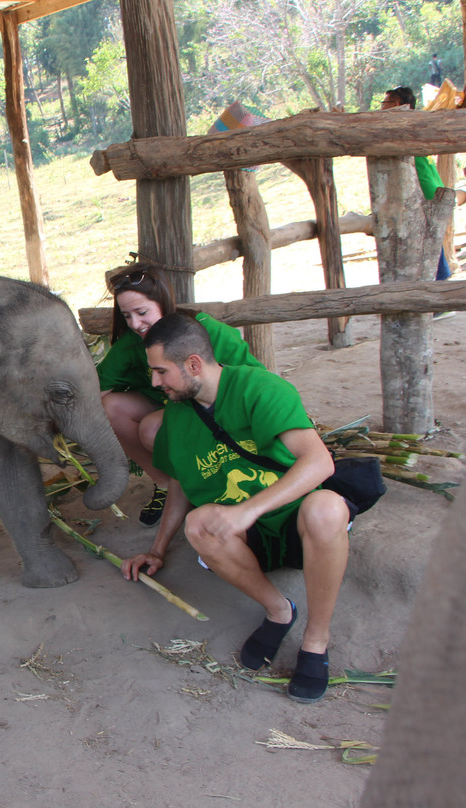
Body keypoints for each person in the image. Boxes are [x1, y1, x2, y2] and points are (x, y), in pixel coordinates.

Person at [120, 313, 355, 703]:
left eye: (161, 371)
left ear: (193, 364)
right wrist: (157, 548)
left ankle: (316, 640)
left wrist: (249, 509)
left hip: (293, 520)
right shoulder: (177, 418)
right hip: (245, 539)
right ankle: (279, 611)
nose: (155, 382)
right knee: (200, 524)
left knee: (327, 508)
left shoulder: (258, 388)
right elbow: (179, 482)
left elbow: (319, 463)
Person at [97, 264, 263, 527]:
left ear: (163, 302)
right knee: (111, 407)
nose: (134, 324)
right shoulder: (131, 342)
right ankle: (166, 485)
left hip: (223, 415)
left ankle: (208, 481)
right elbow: (98, 388)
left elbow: (256, 381)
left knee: (153, 428)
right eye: (126, 315)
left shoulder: (209, 332)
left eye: (142, 312)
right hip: (174, 408)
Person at [381, 86, 455, 315]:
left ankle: (440, 294)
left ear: (397, 104)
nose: (382, 107)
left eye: (385, 103)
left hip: (424, 190)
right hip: (431, 186)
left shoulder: (401, 125)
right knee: (428, 240)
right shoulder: (414, 122)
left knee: (427, 242)